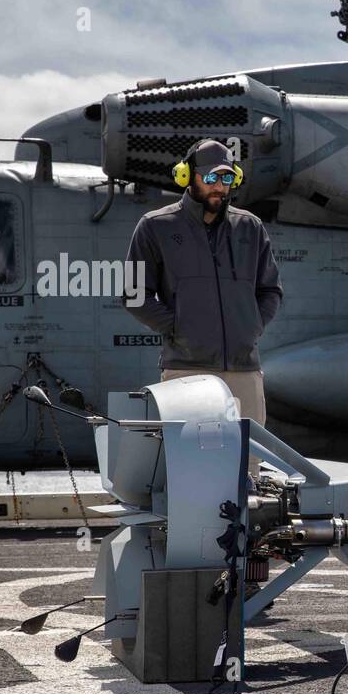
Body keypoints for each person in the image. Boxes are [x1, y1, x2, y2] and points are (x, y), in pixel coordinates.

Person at [124, 139, 282, 473]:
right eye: (211, 178)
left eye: (226, 179)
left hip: (244, 370)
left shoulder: (250, 228)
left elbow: (270, 290)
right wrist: (179, 329)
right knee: (188, 468)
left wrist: (250, 327)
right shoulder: (155, 226)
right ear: (187, 176)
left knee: (248, 469)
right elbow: (134, 294)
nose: (219, 187)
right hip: (186, 369)